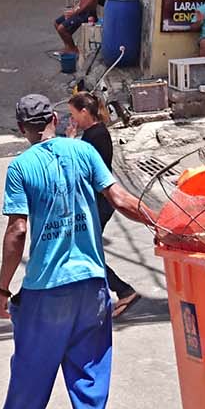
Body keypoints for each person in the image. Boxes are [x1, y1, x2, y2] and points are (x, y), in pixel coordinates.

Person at [0, 95, 155, 409]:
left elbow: (17, 230)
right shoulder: (83, 152)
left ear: (21, 129)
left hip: (46, 289)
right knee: (91, 376)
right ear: (55, 119)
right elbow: (120, 199)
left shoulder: (21, 167)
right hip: (92, 286)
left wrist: (1, 288)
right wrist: (162, 223)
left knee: (31, 370)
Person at [69, 92, 139, 318]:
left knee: (86, 250)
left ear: (84, 112)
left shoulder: (97, 135)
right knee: (86, 249)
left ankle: (123, 290)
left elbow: (85, 169)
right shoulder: (91, 133)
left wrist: (70, 143)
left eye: (73, 114)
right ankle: (114, 291)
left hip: (100, 201)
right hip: (96, 201)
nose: (72, 120)